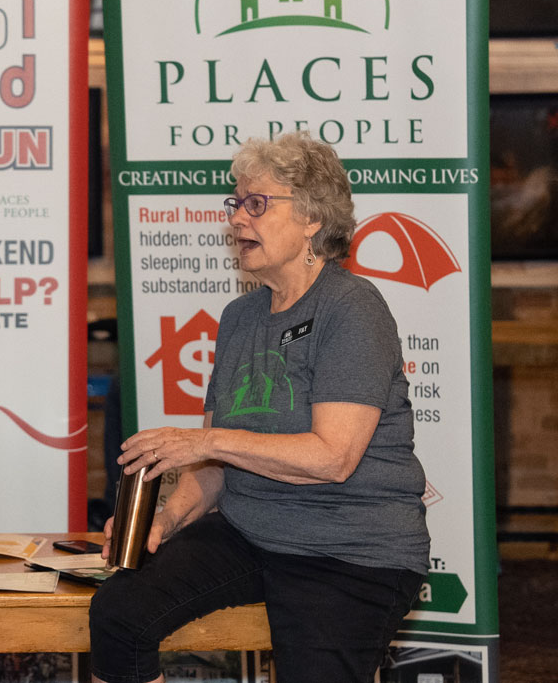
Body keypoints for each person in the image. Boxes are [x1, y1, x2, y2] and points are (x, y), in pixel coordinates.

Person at [89, 133, 429, 683]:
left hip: (350, 552)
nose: (238, 220)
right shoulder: (240, 316)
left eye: (257, 204)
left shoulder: (353, 309)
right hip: (249, 532)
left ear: (313, 218)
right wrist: (167, 518)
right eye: (235, 204)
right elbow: (215, 469)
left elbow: (333, 458)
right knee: (119, 613)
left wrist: (206, 441)